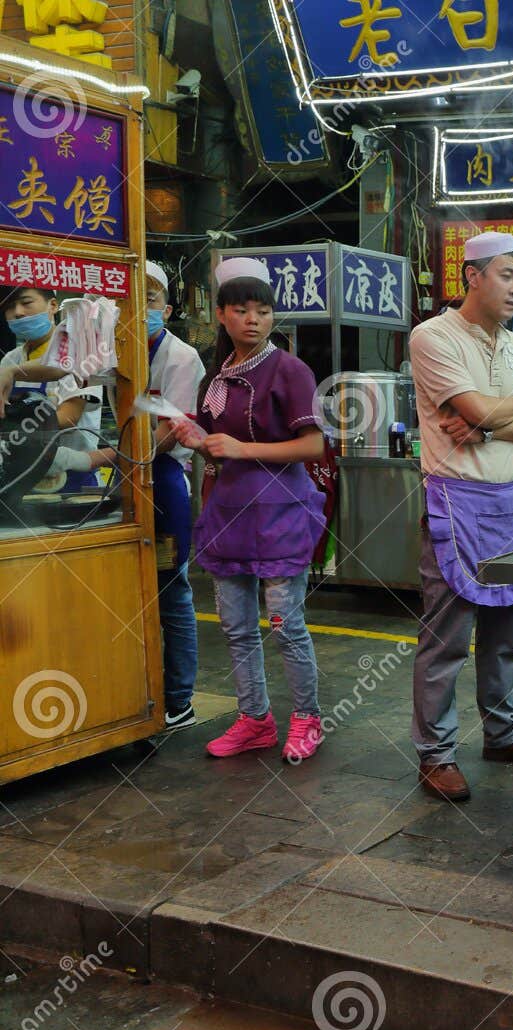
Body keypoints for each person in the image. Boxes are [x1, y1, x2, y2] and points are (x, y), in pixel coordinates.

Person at [408, 231, 513, 803]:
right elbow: (477, 408)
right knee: (446, 638)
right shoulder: (433, 337)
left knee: (506, 634)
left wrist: (488, 425)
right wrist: (502, 413)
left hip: (511, 501)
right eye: (506, 276)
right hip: (456, 499)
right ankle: (436, 753)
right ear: (472, 276)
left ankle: (503, 733)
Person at [175, 257, 327, 762]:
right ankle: (254, 720)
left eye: (263, 311)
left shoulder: (289, 369)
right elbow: (217, 445)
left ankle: (307, 719)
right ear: (221, 315)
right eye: (241, 310)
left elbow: (312, 447)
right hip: (229, 513)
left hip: (282, 513)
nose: (253, 320)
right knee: (237, 628)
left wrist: (241, 450)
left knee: (286, 625)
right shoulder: (216, 378)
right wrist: (197, 440)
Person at [144, 261, 206, 730]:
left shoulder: (182, 357)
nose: (140, 306)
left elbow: (171, 432)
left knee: (172, 590)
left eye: (150, 298)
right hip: (124, 478)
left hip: (163, 479)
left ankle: (179, 698)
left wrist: (114, 457)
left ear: (165, 307)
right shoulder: (112, 350)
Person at [0, 285, 106, 492]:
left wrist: (11, 425)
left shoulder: (79, 353)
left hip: (72, 476)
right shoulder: (10, 360)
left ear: (53, 306)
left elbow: (68, 417)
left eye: (26, 302)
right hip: (20, 477)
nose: (18, 312)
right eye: (9, 307)